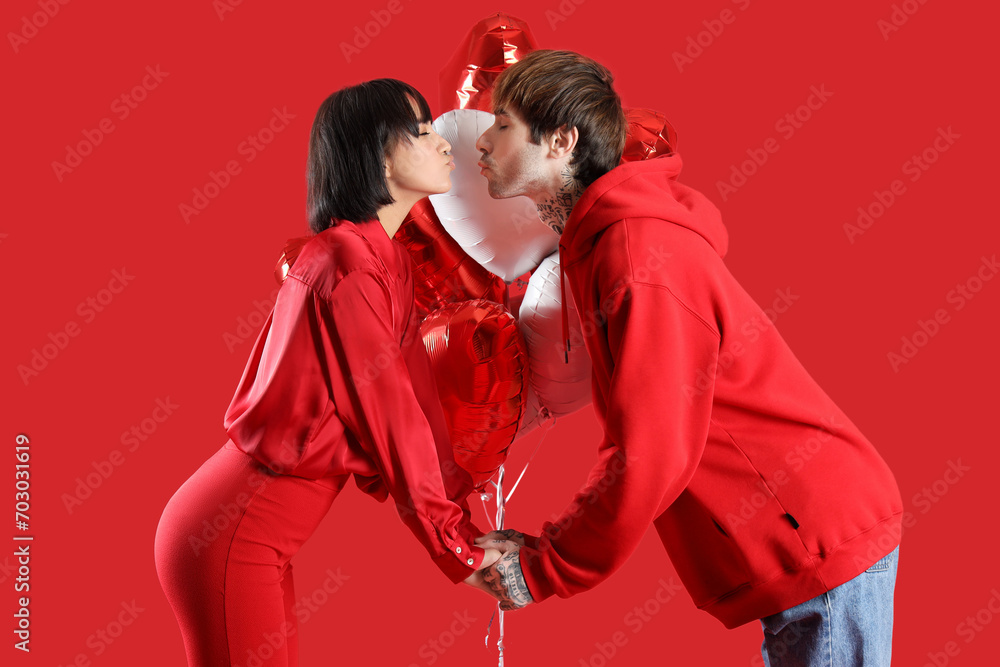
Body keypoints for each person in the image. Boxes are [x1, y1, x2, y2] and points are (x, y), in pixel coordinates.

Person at [468, 50, 904, 666]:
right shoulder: (599, 245)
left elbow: (651, 449)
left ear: (561, 141)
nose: (482, 142)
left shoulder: (637, 255)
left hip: (815, 531)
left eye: (503, 123)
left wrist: (550, 566)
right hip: (798, 535)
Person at [154, 79, 501, 667]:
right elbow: (392, 421)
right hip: (231, 533)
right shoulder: (345, 263)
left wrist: (462, 525)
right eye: (420, 132)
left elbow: (418, 409)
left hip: (252, 538)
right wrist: (454, 550)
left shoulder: (384, 259)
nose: (443, 143)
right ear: (378, 153)